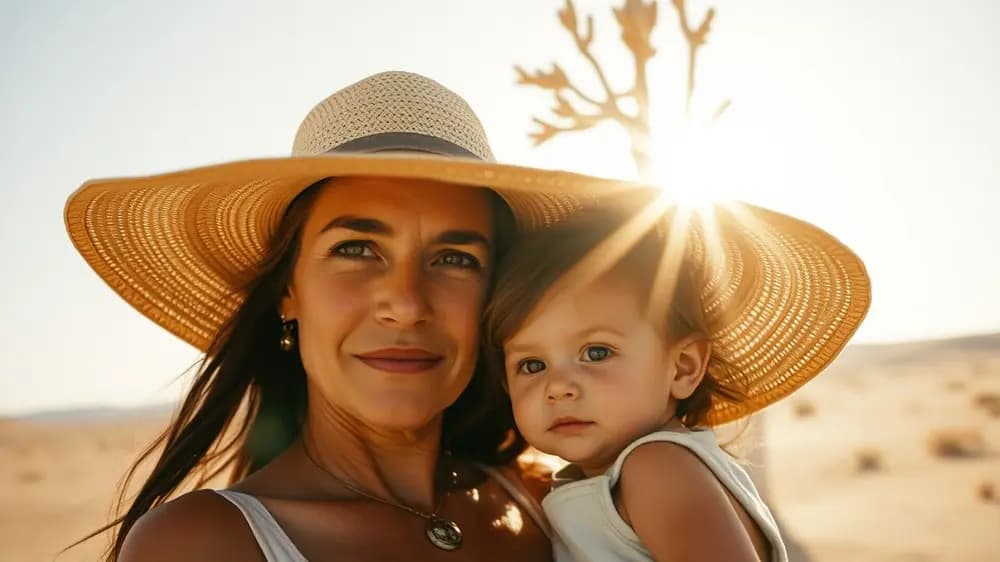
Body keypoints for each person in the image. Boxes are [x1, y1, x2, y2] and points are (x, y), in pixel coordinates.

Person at [64, 71, 642, 561]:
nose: (408, 304)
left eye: (455, 258)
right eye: (356, 250)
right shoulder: (203, 544)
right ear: (288, 292)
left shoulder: (552, 503)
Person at [483, 203, 871, 561]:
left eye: (596, 353)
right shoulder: (626, 473)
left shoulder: (657, 469)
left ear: (683, 368)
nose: (558, 387)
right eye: (532, 365)